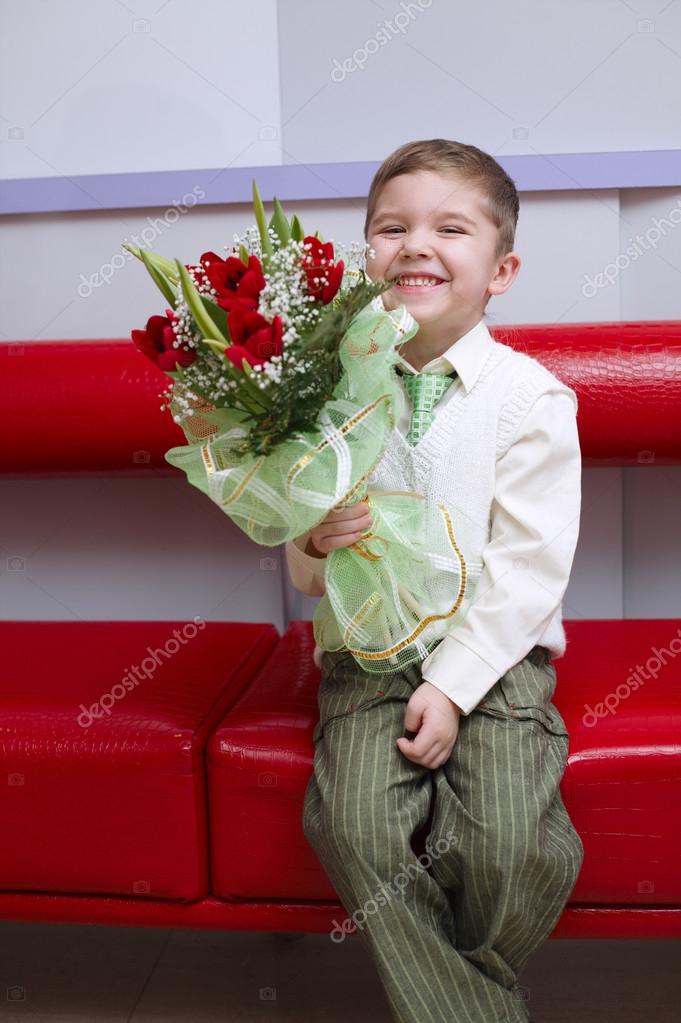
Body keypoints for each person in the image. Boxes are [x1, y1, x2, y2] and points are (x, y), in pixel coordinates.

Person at [285, 138, 584, 1023]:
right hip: (365, 652)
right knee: (351, 826)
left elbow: (528, 570)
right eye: (391, 227)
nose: (414, 244)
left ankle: (456, 996)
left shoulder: (530, 399)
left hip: (493, 655)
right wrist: (312, 538)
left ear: (501, 269)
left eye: (449, 228)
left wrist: (452, 689)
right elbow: (301, 569)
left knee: (506, 847)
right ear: (366, 255)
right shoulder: (326, 395)